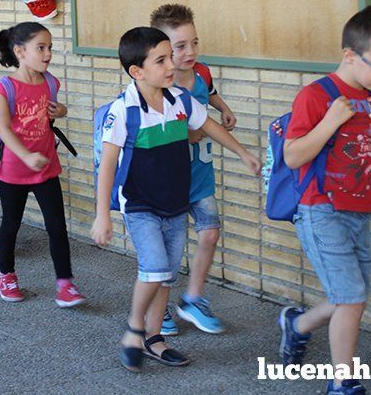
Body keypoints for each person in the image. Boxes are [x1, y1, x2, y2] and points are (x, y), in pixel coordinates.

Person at [90, 27, 261, 372]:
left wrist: (243, 153)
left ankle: (154, 339)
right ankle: (135, 329)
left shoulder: (179, 100)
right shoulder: (125, 111)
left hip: (174, 202)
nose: (171, 66)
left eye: (171, 57)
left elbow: (209, 125)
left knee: (165, 275)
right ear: (137, 71)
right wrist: (101, 216)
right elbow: (108, 162)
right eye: (162, 60)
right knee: (153, 269)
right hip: (140, 205)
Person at [279, 5, 371, 395]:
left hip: (358, 211)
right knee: (350, 298)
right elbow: (293, 156)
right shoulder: (317, 97)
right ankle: (343, 382)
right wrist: (331, 121)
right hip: (320, 209)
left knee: (351, 297)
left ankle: (297, 325)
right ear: (350, 55)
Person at [150, 3, 237, 335]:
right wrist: (184, 132)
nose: (190, 52)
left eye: (194, 43)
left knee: (210, 233)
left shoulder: (201, 72)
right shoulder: (157, 83)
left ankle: (194, 299)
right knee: (167, 250)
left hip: (200, 173)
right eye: (180, 46)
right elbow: (146, 128)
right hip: (167, 181)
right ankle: (160, 308)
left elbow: (210, 93)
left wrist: (224, 109)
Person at [0, 22, 85, 307]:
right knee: (11, 224)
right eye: (41, 48)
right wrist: (25, 155)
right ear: (20, 51)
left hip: (45, 168)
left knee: (57, 226)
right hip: (14, 170)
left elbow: (53, 115)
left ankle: (65, 284)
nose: (47, 54)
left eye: (50, 48)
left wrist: (63, 110)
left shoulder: (50, 82)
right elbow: (4, 129)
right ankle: (5, 275)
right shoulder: (5, 88)